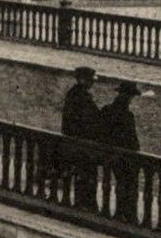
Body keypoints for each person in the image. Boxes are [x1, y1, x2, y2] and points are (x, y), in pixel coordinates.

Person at [98, 81, 145, 221]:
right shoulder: (127, 116)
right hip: (123, 157)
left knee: (121, 182)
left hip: (108, 154)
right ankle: (128, 214)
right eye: (131, 97)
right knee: (129, 183)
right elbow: (133, 142)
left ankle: (121, 212)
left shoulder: (106, 110)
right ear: (128, 97)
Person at [58, 66, 102, 204]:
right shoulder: (83, 97)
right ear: (83, 80)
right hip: (81, 143)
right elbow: (90, 119)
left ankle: (81, 200)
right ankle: (85, 202)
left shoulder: (73, 94)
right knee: (86, 173)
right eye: (90, 80)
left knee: (80, 174)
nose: (92, 83)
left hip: (73, 140)